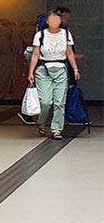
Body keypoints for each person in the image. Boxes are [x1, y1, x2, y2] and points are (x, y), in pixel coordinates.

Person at [27, 11, 80, 139]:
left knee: (59, 103)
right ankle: (41, 121)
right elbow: (35, 54)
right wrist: (31, 72)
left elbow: (70, 53)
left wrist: (75, 69)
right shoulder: (40, 35)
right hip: (43, 70)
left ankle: (56, 129)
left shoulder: (66, 34)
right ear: (47, 22)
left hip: (61, 69)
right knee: (45, 102)